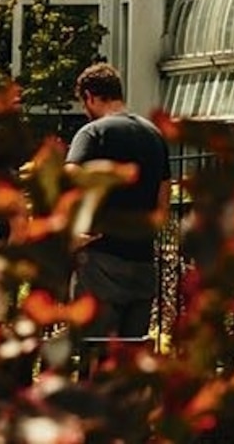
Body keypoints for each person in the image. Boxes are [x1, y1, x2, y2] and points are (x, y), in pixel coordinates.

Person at [63, 63, 170, 349]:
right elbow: (163, 197)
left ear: (90, 96)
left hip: (101, 260)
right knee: (129, 357)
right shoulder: (155, 136)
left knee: (94, 350)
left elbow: (70, 178)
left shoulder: (92, 133)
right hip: (143, 261)